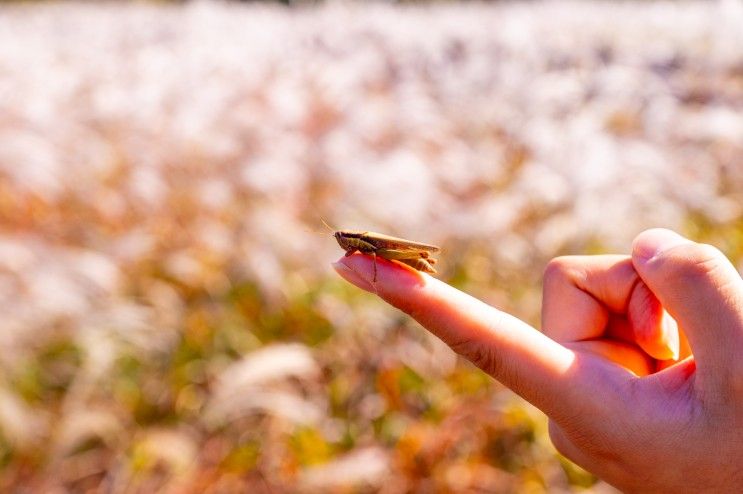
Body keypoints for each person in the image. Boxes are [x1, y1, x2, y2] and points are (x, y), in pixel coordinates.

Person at [333, 228, 743, 492]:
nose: (341, 242)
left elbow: (376, 251)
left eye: (343, 238)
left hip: (402, 252)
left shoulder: (366, 243)